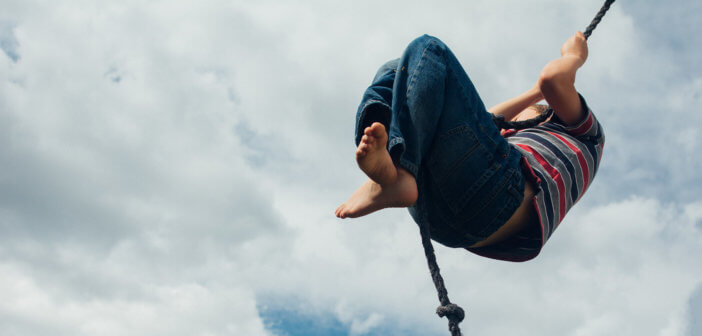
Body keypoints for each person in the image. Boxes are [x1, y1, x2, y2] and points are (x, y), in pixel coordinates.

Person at [335, 32, 604, 262]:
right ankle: (391, 167)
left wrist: (574, 56)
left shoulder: (587, 135)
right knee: (395, 69)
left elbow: (553, 80)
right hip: (447, 222)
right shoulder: (513, 147)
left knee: (429, 49)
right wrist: (532, 93)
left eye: (517, 124)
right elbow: (487, 120)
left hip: (497, 199)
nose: (508, 128)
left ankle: (399, 167)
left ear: (545, 118)